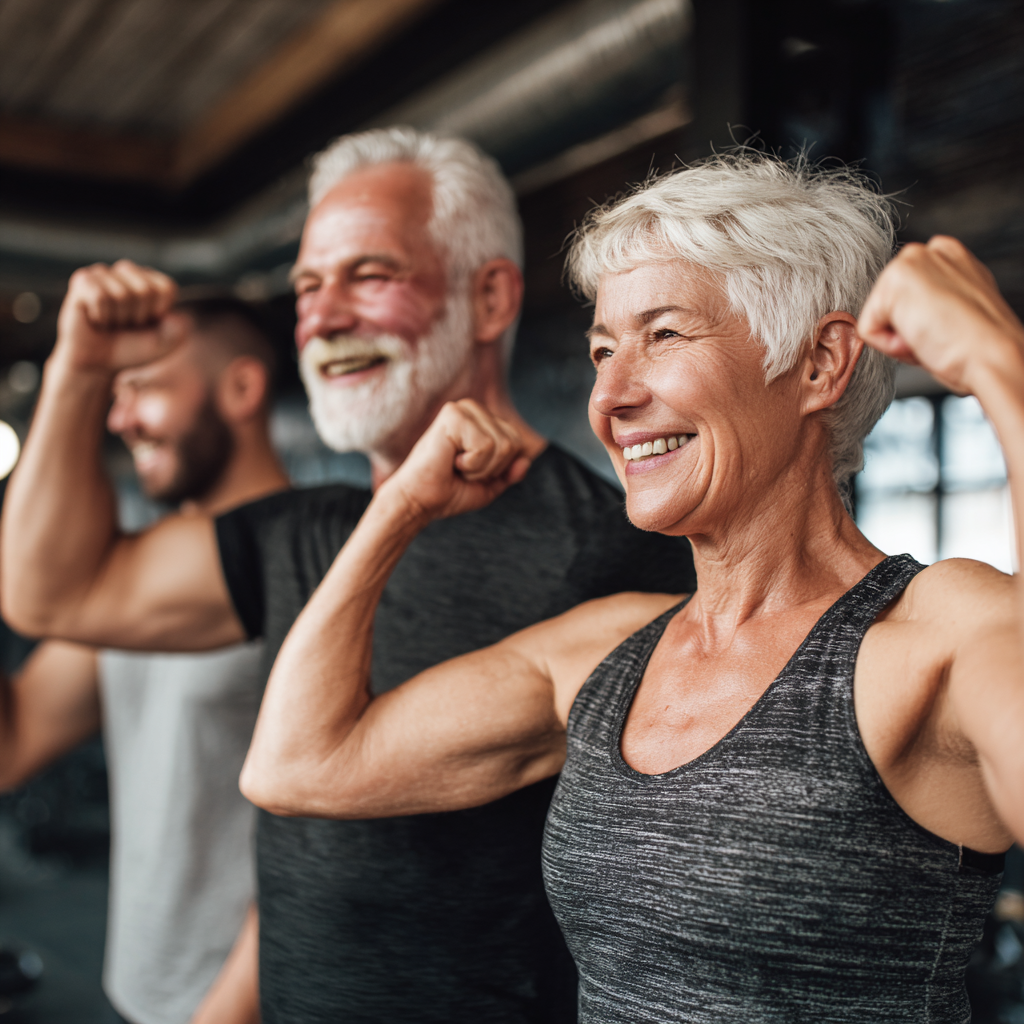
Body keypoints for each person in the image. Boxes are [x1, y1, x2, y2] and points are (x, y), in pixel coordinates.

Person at [240, 153, 1024, 1023]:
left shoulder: (932, 637)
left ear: (818, 365)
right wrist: (399, 509)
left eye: (664, 335)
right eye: (602, 350)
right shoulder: (604, 653)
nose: (608, 396)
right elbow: (298, 763)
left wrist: (1004, 371)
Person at [0, 128, 696, 1023]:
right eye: (306, 286)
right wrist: (78, 369)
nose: (324, 316)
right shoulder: (309, 532)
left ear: (489, 298)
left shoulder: (620, 549)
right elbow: (54, 591)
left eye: (369, 276)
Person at [0, 297, 286, 1024]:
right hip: (139, 986)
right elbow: (14, 737)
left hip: (251, 1001)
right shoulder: (125, 586)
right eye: (116, 394)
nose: (121, 419)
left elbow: (342, 829)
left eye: (146, 387)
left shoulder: (310, 558)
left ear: (241, 389)